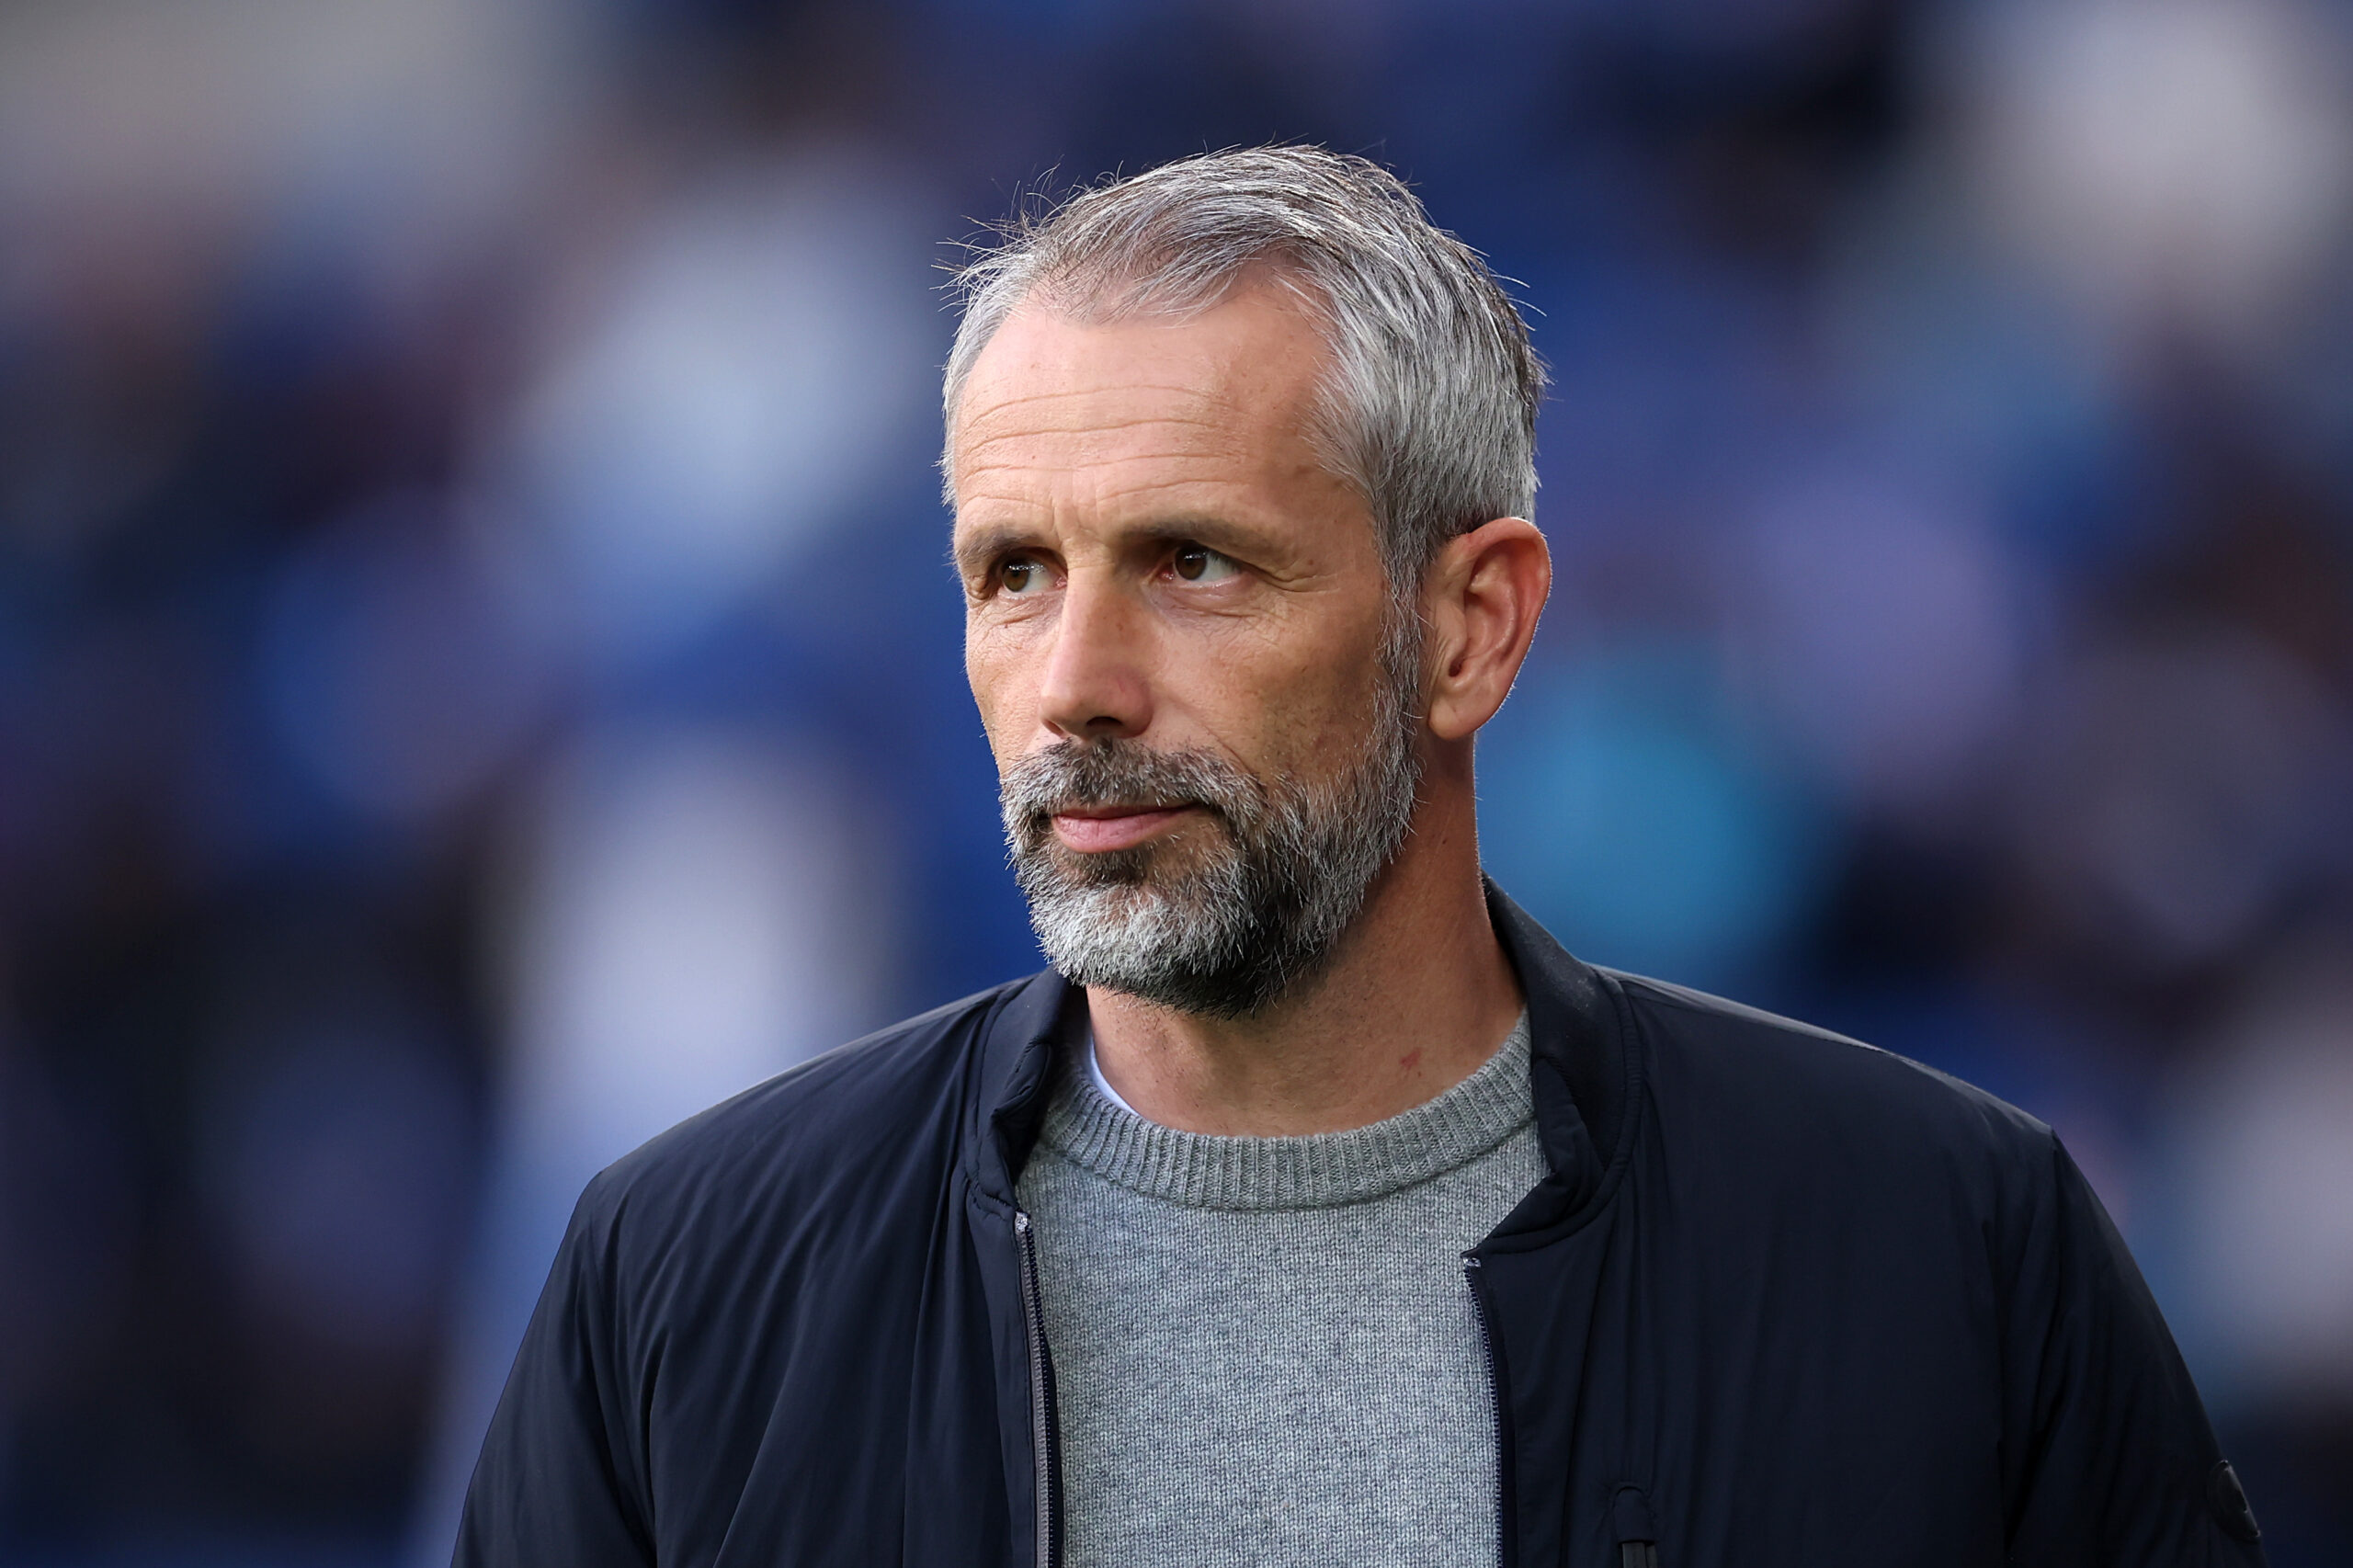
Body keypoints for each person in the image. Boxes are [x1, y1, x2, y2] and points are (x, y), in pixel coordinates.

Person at [453, 146, 2266, 1568]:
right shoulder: (682, 1277)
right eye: (1013, 570)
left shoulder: (1948, 1244)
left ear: (1473, 628)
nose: (1075, 685)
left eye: (1195, 564)